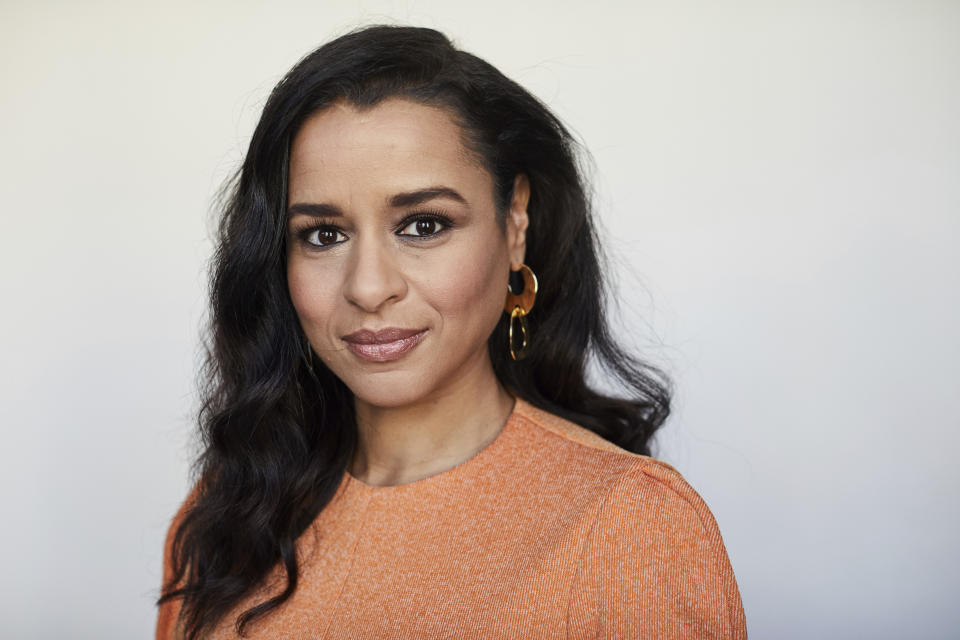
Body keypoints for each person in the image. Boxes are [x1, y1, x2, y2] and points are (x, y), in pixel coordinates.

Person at [155, 24, 748, 640]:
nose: (367, 286)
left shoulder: (626, 526)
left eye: (423, 224)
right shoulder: (225, 517)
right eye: (324, 234)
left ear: (514, 222)